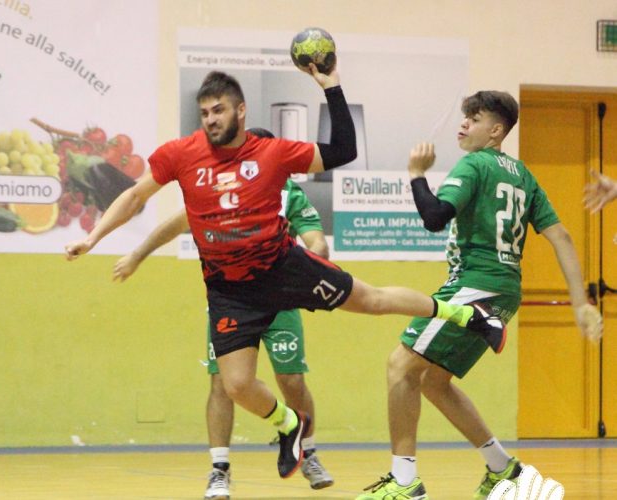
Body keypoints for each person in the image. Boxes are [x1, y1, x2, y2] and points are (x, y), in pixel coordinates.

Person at [64, 65, 505, 488]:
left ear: (240, 112)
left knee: (372, 301)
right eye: (204, 112)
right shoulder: (181, 155)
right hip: (228, 289)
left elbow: (342, 152)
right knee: (236, 384)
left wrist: (331, 87)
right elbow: (137, 194)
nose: (211, 119)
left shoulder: (272, 154)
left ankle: (468, 315)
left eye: (219, 110)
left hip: (283, 267)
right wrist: (95, 237)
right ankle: (289, 424)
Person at [356, 91, 603, 499]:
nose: (464, 123)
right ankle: (503, 469)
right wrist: (580, 302)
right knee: (435, 382)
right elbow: (561, 236)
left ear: (496, 131)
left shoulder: (475, 165)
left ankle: (404, 483)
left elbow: (434, 218)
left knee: (401, 366)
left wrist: (416, 173)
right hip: (506, 290)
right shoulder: (524, 175)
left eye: (475, 117)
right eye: (465, 116)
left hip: (476, 283)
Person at [112, 129, 333, 498]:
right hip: (232, 302)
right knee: (223, 384)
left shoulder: (289, 194)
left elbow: (316, 239)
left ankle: (307, 452)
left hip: (279, 301)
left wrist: (317, 259)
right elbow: (175, 223)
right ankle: (220, 468)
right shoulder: (220, 188)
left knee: (292, 380)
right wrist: (136, 254)